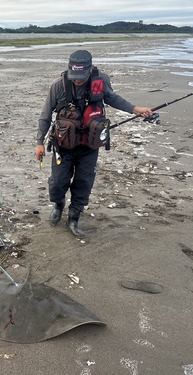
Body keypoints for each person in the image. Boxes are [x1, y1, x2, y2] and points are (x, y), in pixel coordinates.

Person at [35, 50, 153, 238]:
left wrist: (135, 109)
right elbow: (45, 115)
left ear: (90, 70)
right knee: (57, 183)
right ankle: (58, 204)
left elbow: (113, 98)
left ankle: (74, 218)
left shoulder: (101, 81)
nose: (78, 81)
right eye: (75, 77)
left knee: (84, 182)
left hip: (89, 146)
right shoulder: (58, 86)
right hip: (62, 145)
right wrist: (40, 142)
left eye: (81, 77)